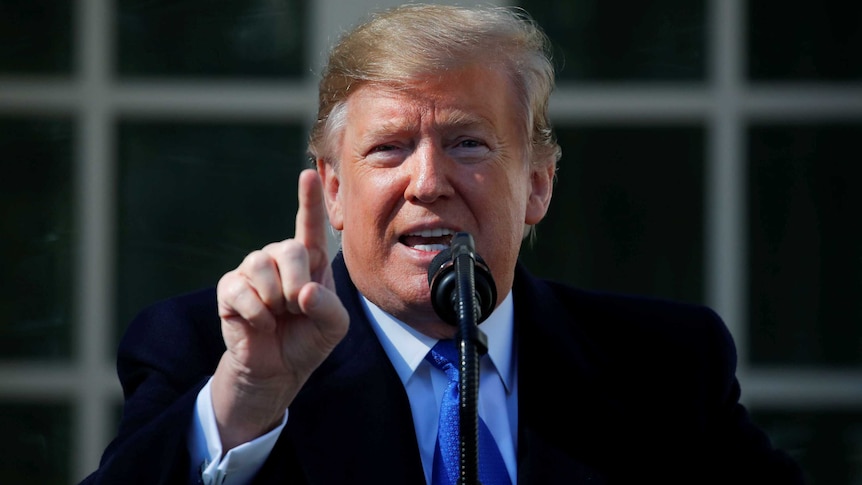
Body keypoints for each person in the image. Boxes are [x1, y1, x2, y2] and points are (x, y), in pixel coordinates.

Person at [80, 3, 805, 485]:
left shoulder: (665, 365)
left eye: (467, 142)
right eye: (389, 148)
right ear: (333, 189)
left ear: (539, 186)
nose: (428, 182)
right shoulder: (208, 351)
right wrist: (247, 403)